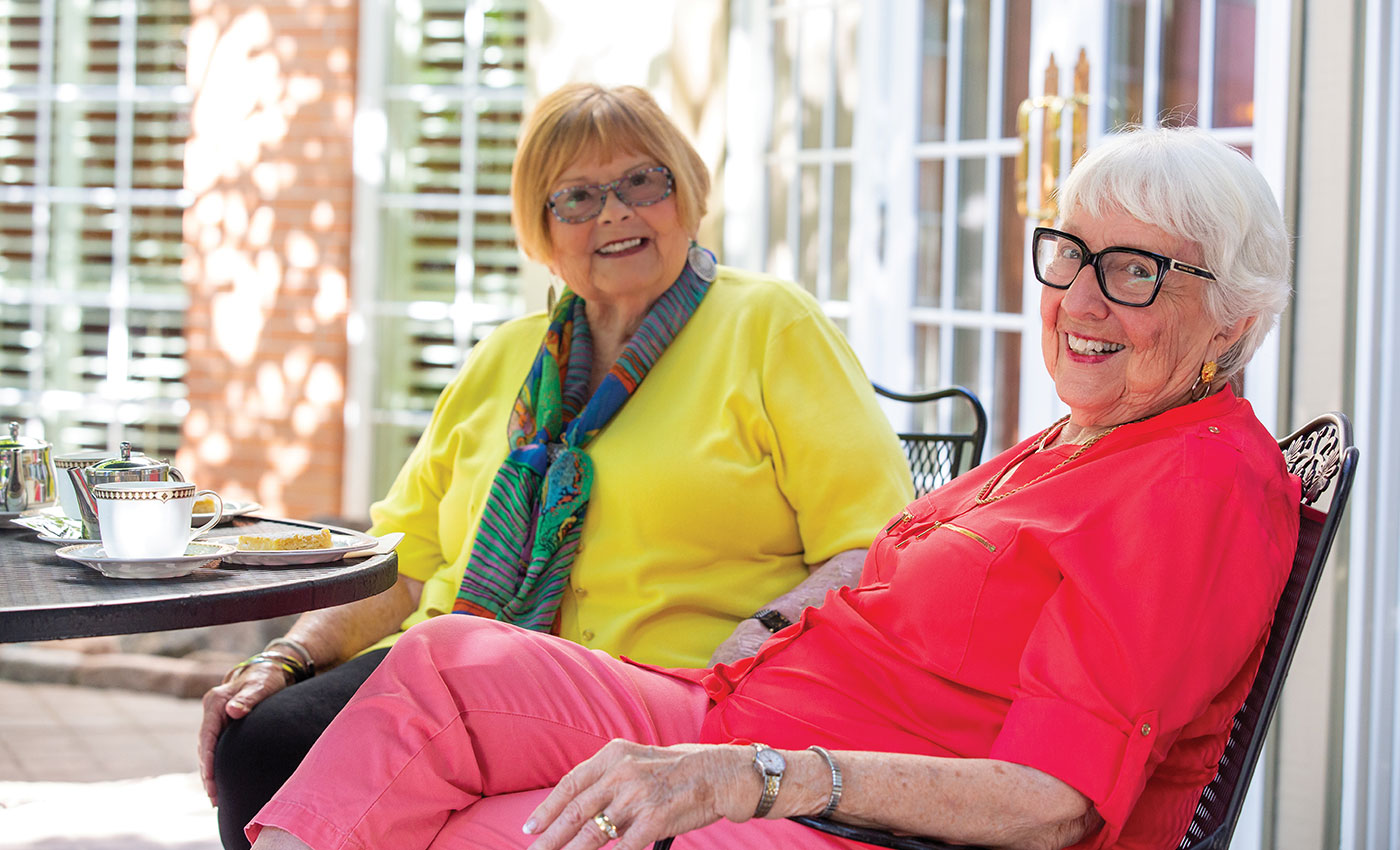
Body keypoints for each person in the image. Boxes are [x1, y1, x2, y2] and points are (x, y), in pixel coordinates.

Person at [243, 125, 1300, 850]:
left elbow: (1053, 802)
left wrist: (760, 776)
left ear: (1235, 321)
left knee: (493, 829)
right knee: (444, 661)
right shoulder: (1086, 439)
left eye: (1136, 271)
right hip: (744, 715)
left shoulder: (1193, 482)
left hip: (854, 817)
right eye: (1070, 255)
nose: (1081, 299)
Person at [200, 83, 914, 849]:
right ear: (541, 229)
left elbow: (876, 545)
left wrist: (766, 629)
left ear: (687, 192)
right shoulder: (504, 357)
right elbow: (400, 562)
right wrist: (288, 655)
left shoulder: (769, 324)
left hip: (669, 689)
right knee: (260, 741)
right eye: (577, 197)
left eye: (642, 181)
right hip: (461, 672)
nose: (615, 213)